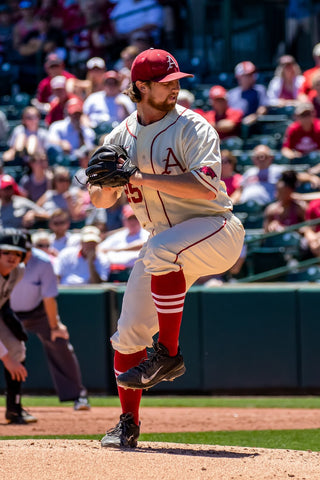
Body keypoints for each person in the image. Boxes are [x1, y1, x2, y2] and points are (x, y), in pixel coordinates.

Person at [88, 48, 244, 448]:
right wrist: (104, 183)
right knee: (126, 337)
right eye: (166, 82)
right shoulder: (120, 135)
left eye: (177, 81)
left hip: (215, 228)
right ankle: (127, 423)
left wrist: (137, 174)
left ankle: (169, 354)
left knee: (160, 251)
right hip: (164, 243)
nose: (175, 87)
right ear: (140, 87)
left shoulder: (194, 127)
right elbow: (101, 202)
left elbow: (206, 185)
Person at [10, 236, 90, 410]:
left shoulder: (43, 262)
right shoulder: (6, 259)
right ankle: (13, 405)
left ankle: (78, 395)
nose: (25, 254)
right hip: (7, 311)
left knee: (59, 340)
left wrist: (55, 326)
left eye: (27, 250)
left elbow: (49, 298)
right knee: (10, 350)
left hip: (37, 312)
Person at [0, 227, 37, 424]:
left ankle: (14, 409)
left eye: (17, 253)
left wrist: (7, 313)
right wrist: (6, 359)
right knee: (9, 355)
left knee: (16, 348)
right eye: (6, 251)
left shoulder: (18, 271)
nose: (12, 257)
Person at [99, 204, 149, 275]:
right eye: (129, 219)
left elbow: (144, 244)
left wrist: (116, 250)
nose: (132, 222)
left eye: (135, 218)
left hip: (139, 272)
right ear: (124, 221)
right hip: (114, 273)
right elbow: (100, 248)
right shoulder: (119, 235)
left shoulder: (146, 233)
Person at [47, 97, 96, 161]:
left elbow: (88, 150)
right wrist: (61, 143)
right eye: (73, 114)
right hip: (64, 161)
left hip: (81, 163)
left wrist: (80, 133)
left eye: (78, 114)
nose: (76, 117)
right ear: (68, 114)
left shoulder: (88, 131)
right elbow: (49, 140)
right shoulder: (57, 126)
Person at [227, 61, 268, 125]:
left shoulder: (260, 90)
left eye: (253, 74)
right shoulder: (231, 93)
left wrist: (254, 116)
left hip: (252, 127)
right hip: (232, 125)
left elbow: (263, 109)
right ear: (238, 77)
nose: (252, 77)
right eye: (248, 75)